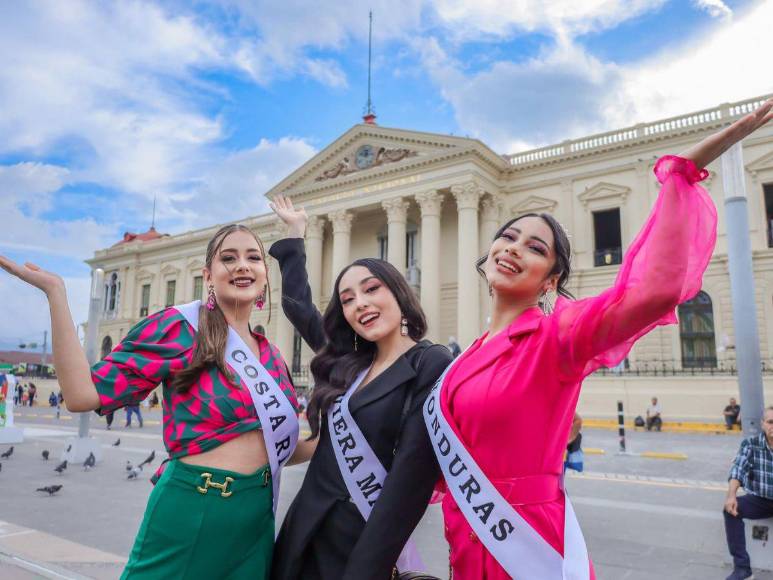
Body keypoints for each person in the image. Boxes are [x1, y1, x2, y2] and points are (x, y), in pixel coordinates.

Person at [424, 99, 772, 580]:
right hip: (464, 544)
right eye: (508, 237)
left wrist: (680, 174)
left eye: (535, 247)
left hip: (526, 548)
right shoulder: (463, 358)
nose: (514, 248)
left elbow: (655, 290)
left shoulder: (556, 335)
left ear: (551, 280)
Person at [0, 223, 316, 579]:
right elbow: (81, 394)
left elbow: (276, 448)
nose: (242, 265)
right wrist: (56, 294)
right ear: (208, 276)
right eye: (229, 258)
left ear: (265, 275)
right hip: (193, 508)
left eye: (253, 257)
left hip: (255, 519)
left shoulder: (273, 357)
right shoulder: (179, 329)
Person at [268, 196, 453, 580]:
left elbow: (410, 480)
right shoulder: (347, 360)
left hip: (363, 542)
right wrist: (296, 235)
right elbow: (298, 306)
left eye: (371, 289)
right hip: (304, 529)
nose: (360, 304)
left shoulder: (429, 362)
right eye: (348, 299)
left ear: (398, 292)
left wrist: (368, 568)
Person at [724, 406, 773, 580]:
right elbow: (738, 468)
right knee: (731, 510)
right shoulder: (750, 444)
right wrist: (731, 495)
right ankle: (742, 569)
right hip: (760, 499)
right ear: (762, 424)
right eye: (770, 422)